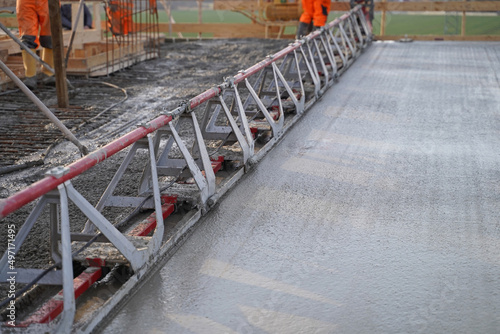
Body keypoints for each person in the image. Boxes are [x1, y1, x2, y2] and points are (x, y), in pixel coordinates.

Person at [16, 0, 54, 90]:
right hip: (26, 2)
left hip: (48, 2)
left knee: (50, 37)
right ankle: (30, 76)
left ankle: (48, 73)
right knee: (28, 37)